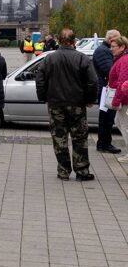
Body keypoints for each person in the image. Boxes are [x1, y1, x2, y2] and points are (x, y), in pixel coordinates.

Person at [36, 28, 98, 181]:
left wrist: (43, 97)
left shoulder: (49, 58)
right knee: (80, 137)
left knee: (59, 137)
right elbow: (92, 81)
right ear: (74, 41)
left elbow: (40, 79)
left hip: (56, 103)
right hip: (77, 103)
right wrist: (90, 99)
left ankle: (63, 171)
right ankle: (82, 170)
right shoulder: (82, 58)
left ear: (58, 40)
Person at [93, 29, 122, 154]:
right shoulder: (103, 51)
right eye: (117, 39)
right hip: (105, 89)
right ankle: (104, 144)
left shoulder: (105, 50)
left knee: (107, 118)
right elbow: (110, 71)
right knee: (106, 118)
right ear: (111, 39)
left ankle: (104, 143)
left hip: (106, 88)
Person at [108, 35, 128, 162]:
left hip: (125, 100)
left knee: (124, 125)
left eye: (114, 46)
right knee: (119, 122)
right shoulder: (121, 59)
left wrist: (116, 101)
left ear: (122, 47)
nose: (111, 49)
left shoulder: (124, 60)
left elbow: (122, 83)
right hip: (124, 99)